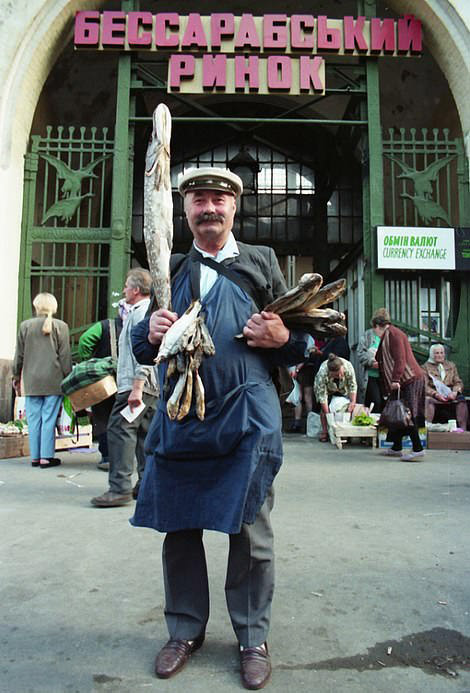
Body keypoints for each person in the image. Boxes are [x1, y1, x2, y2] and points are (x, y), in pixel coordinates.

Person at [130, 167, 309, 690]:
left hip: (247, 419)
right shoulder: (169, 267)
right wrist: (150, 329)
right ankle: (184, 630)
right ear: (182, 211)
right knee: (179, 528)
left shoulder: (262, 263)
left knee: (251, 529)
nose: (208, 208)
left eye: (219, 199)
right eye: (198, 199)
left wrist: (282, 336)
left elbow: (303, 337)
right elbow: (142, 347)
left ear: (236, 208)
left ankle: (253, 637)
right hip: (183, 421)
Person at [91, 269, 157, 507]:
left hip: (135, 384)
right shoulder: (142, 312)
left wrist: (136, 386)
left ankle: (119, 488)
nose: (124, 290)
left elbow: (146, 353)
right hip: (148, 386)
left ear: (137, 290)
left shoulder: (141, 314)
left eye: (127, 286)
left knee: (119, 430)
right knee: (143, 435)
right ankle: (146, 486)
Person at [12, 292, 72, 468]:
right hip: (53, 380)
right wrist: (68, 378)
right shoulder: (61, 326)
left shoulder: (25, 326)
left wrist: (16, 376)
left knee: (34, 419)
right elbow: (65, 357)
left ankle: (35, 457)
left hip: (31, 380)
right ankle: (47, 457)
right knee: (49, 418)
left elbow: (19, 356)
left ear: (36, 306)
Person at [78, 299, 129, 471]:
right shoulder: (141, 323)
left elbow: (85, 341)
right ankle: (125, 458)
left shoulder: (105, 326)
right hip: (129, 380)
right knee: (127, 419)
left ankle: (107, 457)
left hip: (103, 380)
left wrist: (89, 362)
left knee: (103, 417)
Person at [372, 308, 426, 461]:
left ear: (377, 325)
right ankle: (396, 447)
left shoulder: (393, 334)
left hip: (409, 379)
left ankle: (417, 448)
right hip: (407, 379)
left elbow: (400, 359)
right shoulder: (393, 333)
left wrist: (395, 379)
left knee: (406, 414)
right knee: (396, 411)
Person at [423, 344, 468, 430]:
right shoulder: (425, 367)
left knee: (461, 400)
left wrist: (455, 392)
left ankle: (463, 430)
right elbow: (425, 386)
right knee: (427, 400)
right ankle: (427, 428)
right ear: (432, 355)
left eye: (441, 353)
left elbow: (458, 382)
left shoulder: (451, 365)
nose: (440, 355)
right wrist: (436, 394)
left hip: (450, 394)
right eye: (437, 353)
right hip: (435, 395)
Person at [314, 353, 357, 442]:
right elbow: (322, 395)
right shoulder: (322, 372)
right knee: (324, 411)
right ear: (330, 372)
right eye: (337, 375)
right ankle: (325, 432)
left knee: (347, 408)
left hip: (343, 387)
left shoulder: (348, 366)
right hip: (327, 388)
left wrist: (352, 402)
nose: (340, 376)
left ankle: (346, 432)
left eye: (341, 373)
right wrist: (328, 414)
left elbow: (352, 385)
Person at [286, 335, 319, 433]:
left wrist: (296, 369)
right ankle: (304, 423)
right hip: (303, 369)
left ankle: (300, 423)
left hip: (303, 370)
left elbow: (307, 356)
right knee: (301, 396)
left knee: (303, 396)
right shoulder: (308, 337)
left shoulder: (302, 337)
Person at [356, 315, 384, 413]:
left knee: (384, 403)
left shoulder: (389, 336)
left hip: (385, 376)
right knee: (375, 402)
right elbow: (360, 353)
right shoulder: (367, 335)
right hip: (371, 375)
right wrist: (371, 362)